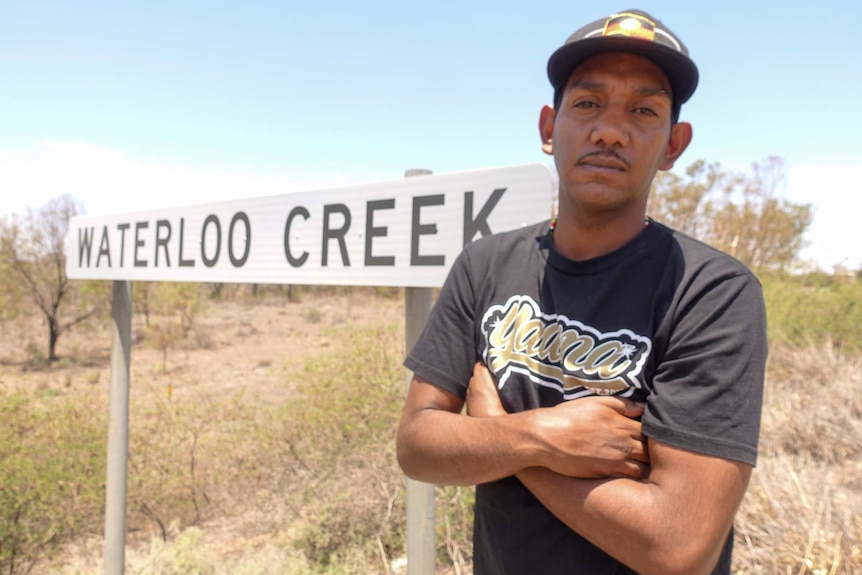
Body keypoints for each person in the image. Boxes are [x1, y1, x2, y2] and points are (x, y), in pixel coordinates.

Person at [396, 8, 767, 575]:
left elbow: (678, 548)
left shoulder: (711, 292)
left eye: (644, 110)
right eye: (588, 103)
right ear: (549, 128)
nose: (610, 130)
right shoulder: (486, 263)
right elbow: (417, 445)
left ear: (674, 144)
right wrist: (541, 437)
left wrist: (499, 437)